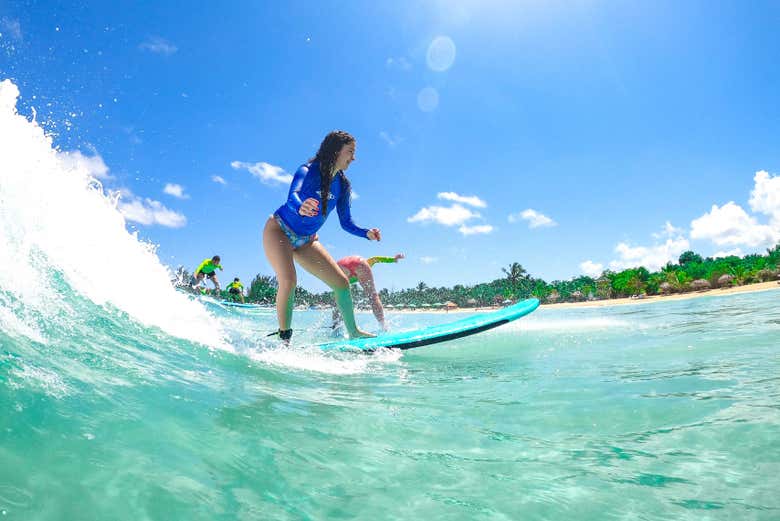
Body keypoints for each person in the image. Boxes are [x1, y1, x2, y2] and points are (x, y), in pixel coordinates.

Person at [262, 130, 380, 341]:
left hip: (307, 240)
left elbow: (346, 222)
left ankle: (353, 332)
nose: (353, 158)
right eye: (350, 151)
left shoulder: (342, 186)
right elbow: (293, 195)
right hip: (279, 230)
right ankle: (284, 339)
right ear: (336, 151)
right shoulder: (308, 170)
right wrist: (301, 206)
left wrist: (366, 233)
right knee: (289, 280)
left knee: (341, 284)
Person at [331, 254, 404, 331]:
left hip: (339, 267)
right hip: (359, 261)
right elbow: (376, 259)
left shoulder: (334, 275)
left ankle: (336, 326)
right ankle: (383, 325)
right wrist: (393, 259)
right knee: (373, 296)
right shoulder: (367, 262)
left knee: (337, 300)